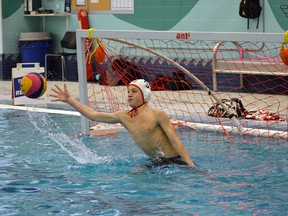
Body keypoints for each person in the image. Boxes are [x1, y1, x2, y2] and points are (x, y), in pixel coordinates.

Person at [50, 79, 195, 167]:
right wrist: (69, 100)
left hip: (174, 162)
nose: (129, 94)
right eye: (128, 91)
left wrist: (190, 164)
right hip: (155, 163)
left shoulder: (157, 114)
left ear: (144, 95)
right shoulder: (124, 116)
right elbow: (93, 114)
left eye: (134, 91)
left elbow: (175, 140)